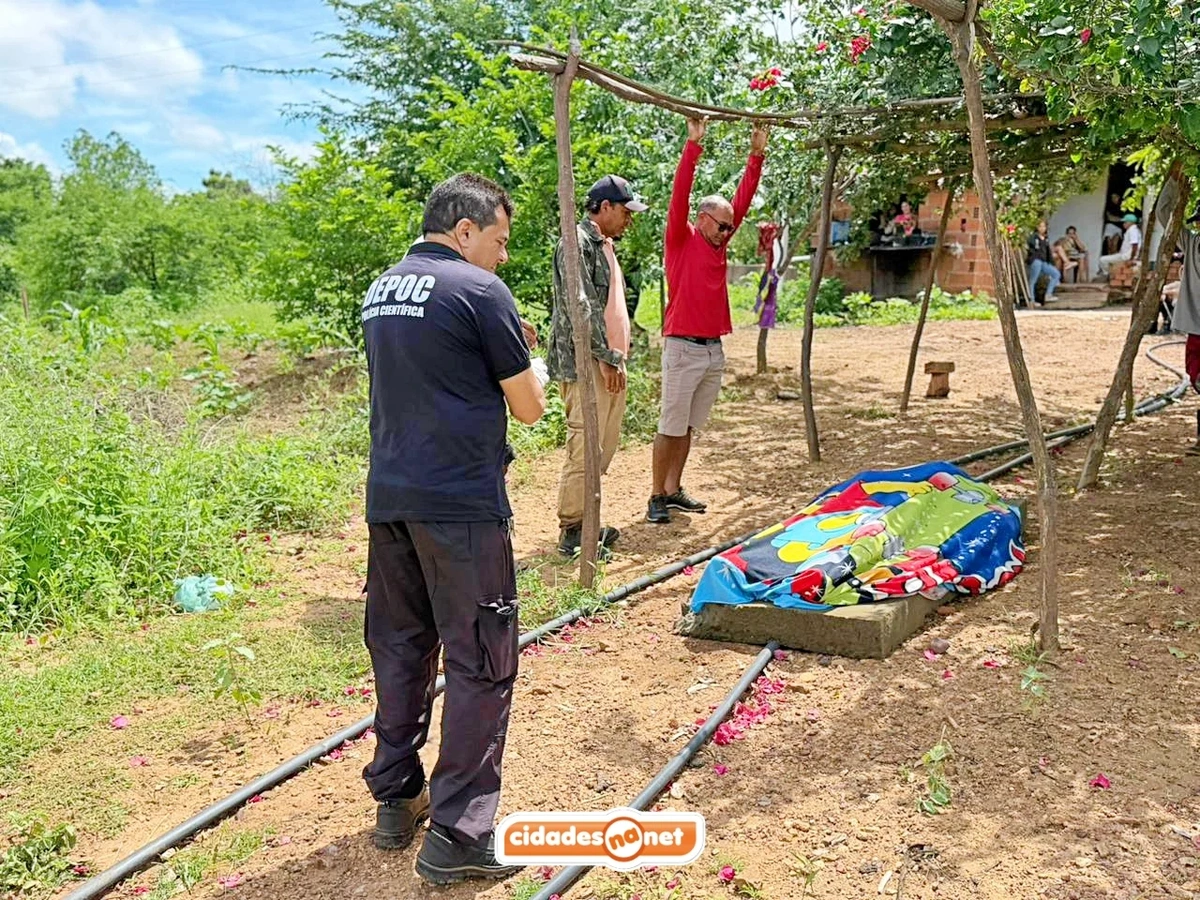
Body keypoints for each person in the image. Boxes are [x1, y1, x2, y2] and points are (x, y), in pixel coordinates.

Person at [358, 172, 547, 886]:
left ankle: (397, 797)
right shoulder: (481, 291)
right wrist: (529, 360)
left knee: (402, 644)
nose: (503, 254)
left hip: (390, 498)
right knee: (480, 660)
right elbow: (528, 406)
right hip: (461, 505)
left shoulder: (381, 290)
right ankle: (459, 834)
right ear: (465, 230)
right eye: (499, 239)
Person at [647, 116, 768, 524]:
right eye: (721, 225)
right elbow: (679, 195)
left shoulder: (719, 242)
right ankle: (655, 495)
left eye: (730, 227)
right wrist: (693, 146)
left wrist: (756, 156)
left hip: (712, 349)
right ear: (701, 218)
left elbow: (743, 200)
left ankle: (673, 488)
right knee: (670, 425)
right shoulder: (681, 239)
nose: (726, 232)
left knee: (688, 426)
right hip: (683, 347)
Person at [548, 174, 648, 558]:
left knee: (602, 446)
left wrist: (614, 356)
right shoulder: (576, 243)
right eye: (625, 211)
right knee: (585, 446)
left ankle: (587, 522)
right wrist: (605, 356)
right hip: (589, 362)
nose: (629, 219)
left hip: (608, 360)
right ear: (604, 207)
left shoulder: (602, 243)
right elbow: (581, 305)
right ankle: (573, 530)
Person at [1026, 219, 1061, 306]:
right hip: (1036, 261)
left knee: (1056, 274)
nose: (1042, 228)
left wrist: (1051, 262)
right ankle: (1031, 300)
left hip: (1044, 261)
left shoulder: (1046, 238)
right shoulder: (1034, 237)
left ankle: (1048, 294)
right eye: (1040, 226)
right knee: (1033, 280)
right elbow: (1030, 247)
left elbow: (1048, 251)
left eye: (1044, 226)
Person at [1099, 213, 1142, 278]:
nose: (1123, 224)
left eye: (1125, 222)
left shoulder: (1133, 230)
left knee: (1102, 260)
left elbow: (1135, 245)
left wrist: (1131, 259)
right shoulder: (1132, 230)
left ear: (1131, 222)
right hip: (1125, 255)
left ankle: (1108, 275)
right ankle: (1113, 275)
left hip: (1126, 256)